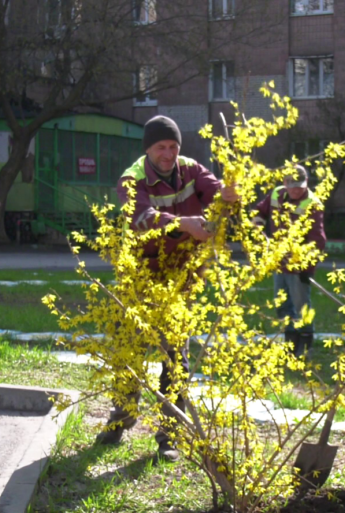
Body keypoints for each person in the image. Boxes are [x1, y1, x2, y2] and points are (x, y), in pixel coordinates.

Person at [94, 115, 239, 462]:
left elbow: (216, 194)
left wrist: (230, 196)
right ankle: (122, 417)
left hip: (181, 277)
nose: (168, 153)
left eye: (173, 146)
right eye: (161, 147)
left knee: (176, 356)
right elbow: (141, 219)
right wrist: (184, 225)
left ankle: (169, 434)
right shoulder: (132, 179)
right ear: (148, 149)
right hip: (140, 276)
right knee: (129, 351)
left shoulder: (191, 169)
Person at [253, 164, 326, 356]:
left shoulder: (312, 204)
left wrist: (306, 267)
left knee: (302, 306)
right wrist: (258, 229)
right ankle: (290, 347)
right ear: (284, 183)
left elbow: (318, 241)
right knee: (282, 305)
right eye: (292, 185)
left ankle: (305, 348)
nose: (296, 190)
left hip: (298, 268)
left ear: (306, 183)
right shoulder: (276, 194)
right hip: (278, 263)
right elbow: (260, 212)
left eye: (300, 185)